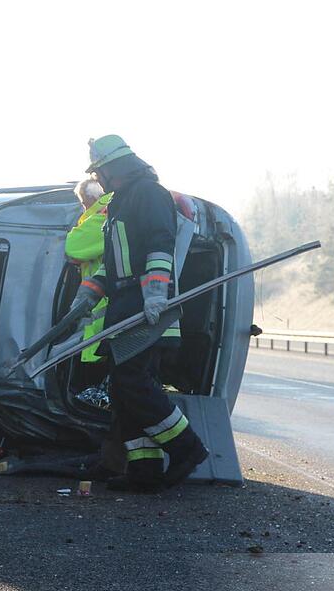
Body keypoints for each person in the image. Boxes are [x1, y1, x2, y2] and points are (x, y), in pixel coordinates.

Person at [69, 135, 208, 491]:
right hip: (126, 305)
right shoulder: (119, 203)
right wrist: (87, 296)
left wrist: (156, 295)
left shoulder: (148, 194)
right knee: (123, 389)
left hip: (148, 310)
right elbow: (114, 267)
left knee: (135, 385)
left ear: (116, 167)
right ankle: (144, 472)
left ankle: (186, 449)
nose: (98, 179)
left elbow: (160, 246)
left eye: (100, 172)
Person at [65, 179, 113, 381]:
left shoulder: (103, 214)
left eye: (84, 203)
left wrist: (86, 218)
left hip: (102, 313)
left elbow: (73, 247)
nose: (83, 208)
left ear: (93, 198)